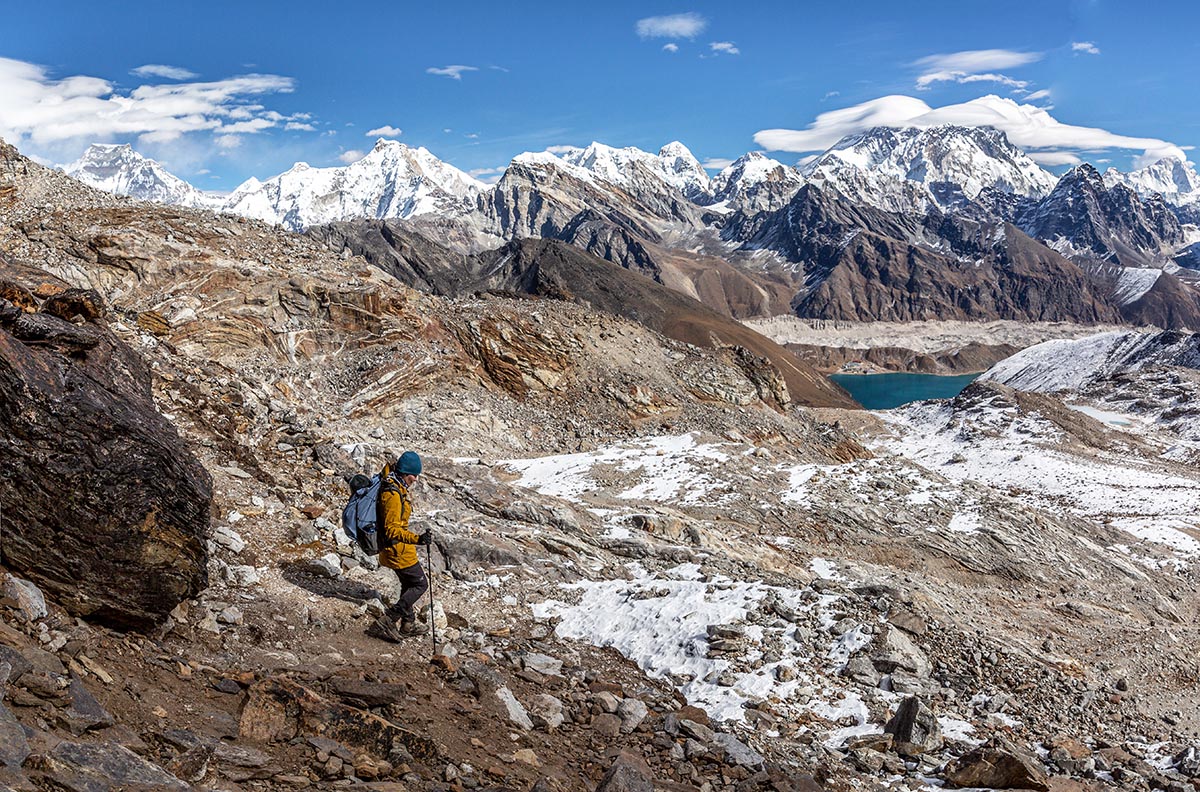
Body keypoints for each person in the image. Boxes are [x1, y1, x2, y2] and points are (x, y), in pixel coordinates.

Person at [366, 450, 433, 643]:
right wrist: (417, 539)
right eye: (414, 475)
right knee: (420, 584)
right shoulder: (392, 494)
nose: (416, 479)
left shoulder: (395, 484)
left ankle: (408, 624)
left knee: (408, 583)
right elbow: (392, 530)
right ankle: (389, 620)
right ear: (405, 473)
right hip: (397, 550)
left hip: (397, 549)